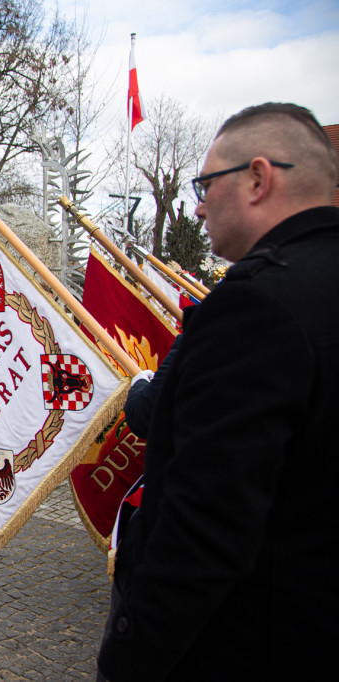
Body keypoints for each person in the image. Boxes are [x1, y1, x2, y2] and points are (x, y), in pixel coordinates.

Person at [97, 103, 339, 680]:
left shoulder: (256, 306)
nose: (199, 205)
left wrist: (128, 657)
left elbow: (206, 526)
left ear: (259, 178)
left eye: (206, 183)